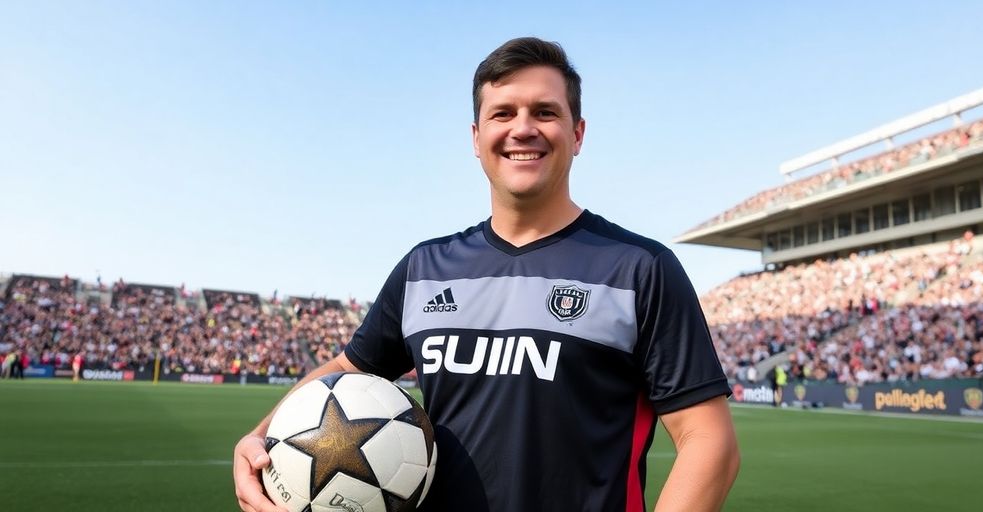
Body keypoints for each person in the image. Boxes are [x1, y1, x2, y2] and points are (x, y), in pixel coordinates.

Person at [234, 37, 739, 512]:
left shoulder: (638, 268)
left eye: (545, 112)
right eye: (503, 113)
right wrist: (260, 436)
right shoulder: (423, 269)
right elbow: (349, 370)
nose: (523, 129)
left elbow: (708, 440)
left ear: (577, 133)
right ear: (477, 139)